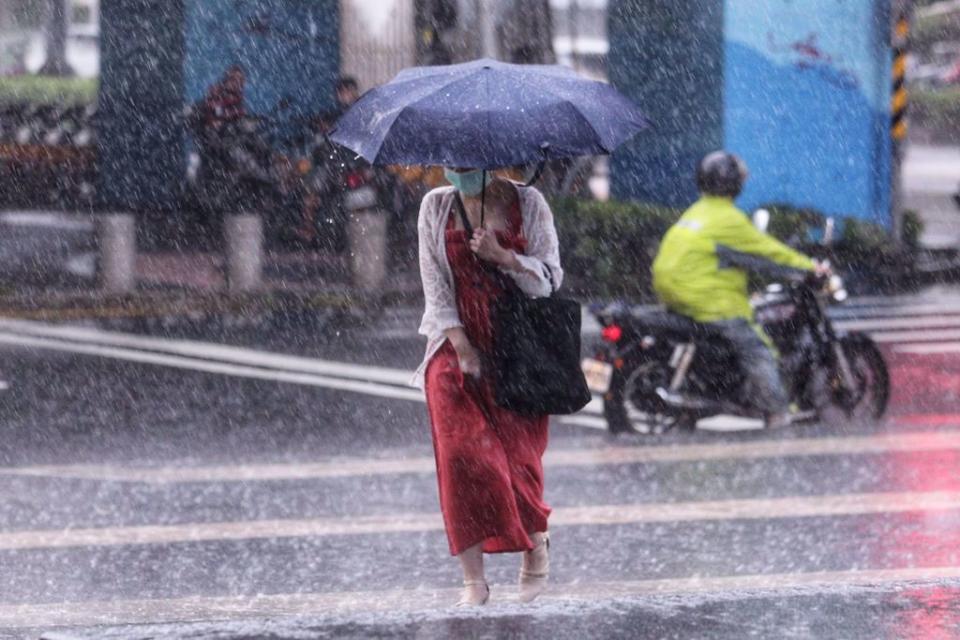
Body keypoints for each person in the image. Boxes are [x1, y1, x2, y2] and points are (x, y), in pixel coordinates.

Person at [413, 168, 562, 606]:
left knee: (517, 460)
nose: (457, 168)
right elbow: (435, 287)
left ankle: (535, 543)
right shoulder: (436, 206)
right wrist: (460, 345)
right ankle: (472, 580)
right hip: (453, 344)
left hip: (518, 348)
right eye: (450, 159)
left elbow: (551, 280)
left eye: (467, 159)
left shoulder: (529, 202)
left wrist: (506, 258)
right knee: (463, 458)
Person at [652, 151, 824, 429]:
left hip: (674, 291)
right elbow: (768, 254)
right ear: (733, 184)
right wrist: (809, 268)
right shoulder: (727, 219)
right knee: (759, 350)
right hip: (706, 298)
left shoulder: (697, 211)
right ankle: (777, 411)